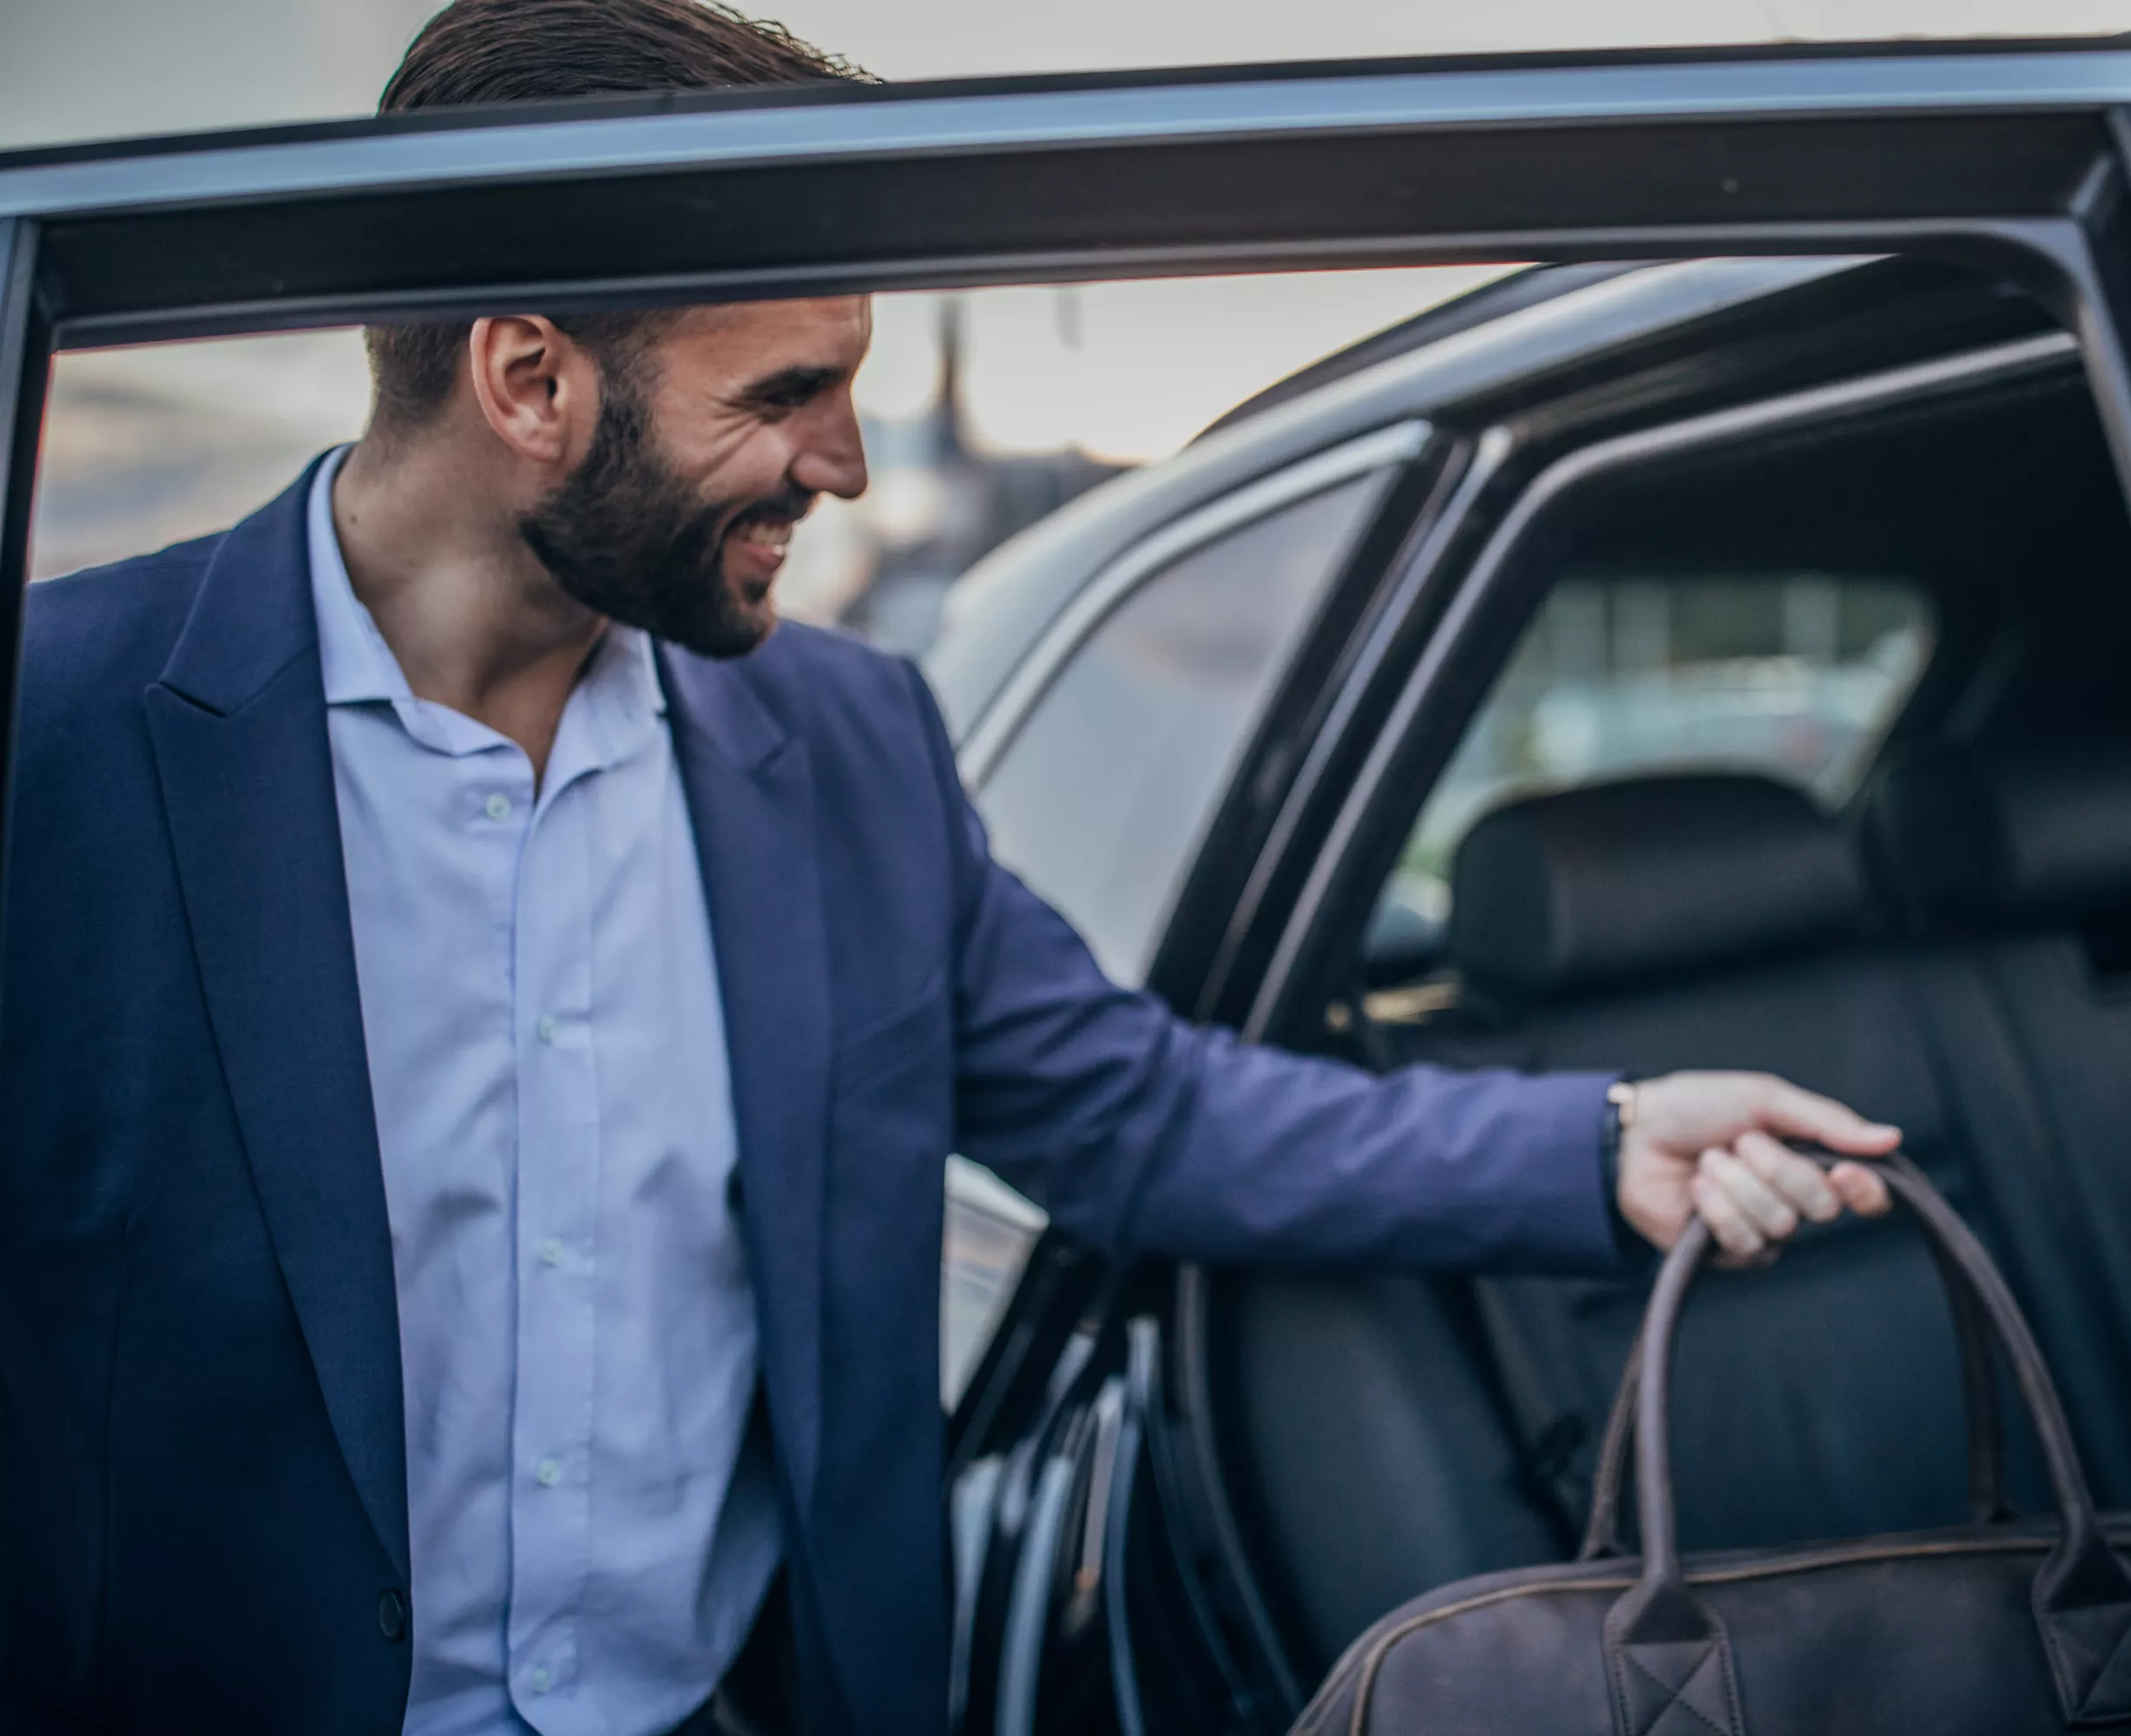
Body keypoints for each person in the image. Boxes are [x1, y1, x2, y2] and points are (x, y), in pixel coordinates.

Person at [0, 3, 1904, 1733]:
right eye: (784, 391)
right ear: (528, 382)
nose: (840, 461)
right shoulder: (56, 739)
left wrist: (1600, 1142)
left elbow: (1142, 1113)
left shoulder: (850, 750)